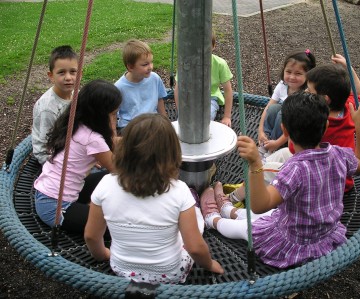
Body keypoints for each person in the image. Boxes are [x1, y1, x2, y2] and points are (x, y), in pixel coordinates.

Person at [201, 91, 360, 269]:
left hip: (294, 241)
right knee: (268, 217)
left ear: (284, 130)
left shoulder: (295, 170)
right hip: (324, 234)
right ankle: (229, 210)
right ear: (326, 125)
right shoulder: (338, 155)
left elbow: (260, 204)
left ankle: (213, 220)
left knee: (247, 229)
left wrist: (255, 164)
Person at [84, 113, 223, 284]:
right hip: (170, 274)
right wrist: (209, 264)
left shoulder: (105, 184)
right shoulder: (179, 191)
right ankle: (201, 211)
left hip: (122, 269)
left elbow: (91, 236)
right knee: (193, 216)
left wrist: (103, 254)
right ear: (172, 153)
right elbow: (195, 247)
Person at [229, 53, 360, 203]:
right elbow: (358, 92)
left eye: (310, 91)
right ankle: (246, 186)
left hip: (319, 179)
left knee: (266, 170)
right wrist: (349, 69)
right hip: (335, 171)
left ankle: (233, 199)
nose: (305, 92)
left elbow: (295, 149)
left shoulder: (316, 120)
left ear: (325, 99)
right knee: (279, 155)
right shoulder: (349, 108)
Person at [34, 79, 122, 234]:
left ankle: (90, 206)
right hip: (55, 206)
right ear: (101, 115)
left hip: (50, 192)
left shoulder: (77, 123)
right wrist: (113, 128)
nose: (116, 117)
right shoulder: (93, 139)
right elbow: (117, 168)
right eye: (114, 114)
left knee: (106, 177)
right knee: (114, 226)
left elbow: (113, 144)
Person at [258, 49, 316, 156]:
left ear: (308, 75)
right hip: (282, 130)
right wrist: (260, 130)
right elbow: (268, 107)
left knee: (283, 112)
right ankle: (266, 141)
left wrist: (276, 143)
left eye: (298, 73)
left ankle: (273, 149)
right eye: (288, 72)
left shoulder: (306, 93)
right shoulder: (283, 85)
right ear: (283, 70)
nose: (292, 77)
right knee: (273, 108)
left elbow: (296, 125)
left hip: (294, 135)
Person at [174, 30, 234, 127]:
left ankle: (204, 138)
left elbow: (228, 90)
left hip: (210, 98)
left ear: (213, 46)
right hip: (190, 98)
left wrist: (227, 116)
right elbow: (178, 89)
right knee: (184, 122)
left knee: (205, 119)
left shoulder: (220, 64)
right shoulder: (185, 64)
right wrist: (181, 111)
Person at [32, 45, 78, 165]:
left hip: (69, 145)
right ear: (51, 76)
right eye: (61, 73)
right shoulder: (48, 108)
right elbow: (45, 147)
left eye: (73, 72)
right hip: (51, 156)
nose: (68, 77)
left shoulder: (76, 94)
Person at [115, 39, 167, 131]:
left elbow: (160, 100)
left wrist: (166, 122)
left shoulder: (154, 78)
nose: (150, 67)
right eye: (145, 64)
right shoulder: (119, 87)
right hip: (130, 126)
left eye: (151, 62)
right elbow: (114, 113)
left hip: (152, 122)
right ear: (130, 67)